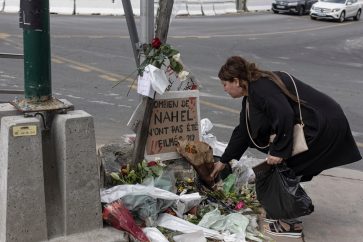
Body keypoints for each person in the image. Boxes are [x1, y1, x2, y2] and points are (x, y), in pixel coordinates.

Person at [210, 56, 362, 237]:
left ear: (236, 80)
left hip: (322, 126)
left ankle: (290, 224)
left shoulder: (261, 88)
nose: (224, 89)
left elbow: (284, 115)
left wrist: (279, 151)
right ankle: (289, 211)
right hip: (320, 124)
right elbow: (243, 131)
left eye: (225, 84)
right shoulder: (253, 93)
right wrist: (224, 160)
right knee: (286, 168)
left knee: (284, 169)